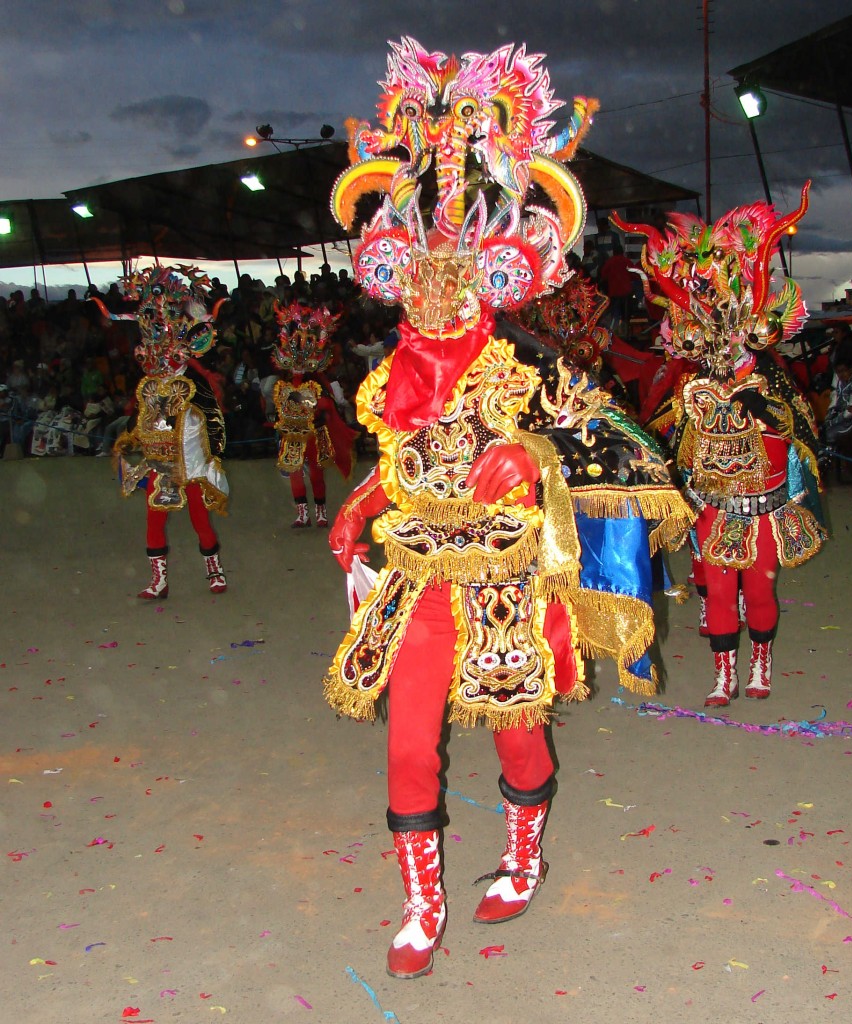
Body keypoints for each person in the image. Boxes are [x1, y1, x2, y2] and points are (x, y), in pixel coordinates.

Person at [325, 37, 691, 981]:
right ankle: (421, 902)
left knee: (519, 737)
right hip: (414, 586)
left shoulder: (529, 369)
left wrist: (524, 450)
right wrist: (359, 502)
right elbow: (404, 463)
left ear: (494, 275)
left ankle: (524, 856)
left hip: (503, 589)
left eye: (456, 271)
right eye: (420, 271)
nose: (437, 288)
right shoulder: (394, 373)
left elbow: (618, 444)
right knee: (409, 744)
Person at [616, 184, 827, 707]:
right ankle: (723, 675)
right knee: (718, 596)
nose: (722, 343)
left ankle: (760, 664)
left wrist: (764, 412)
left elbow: (803, 430)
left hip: (765, 509)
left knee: (759, 593)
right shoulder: (695, 388)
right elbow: (674, 442)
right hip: (715, 508)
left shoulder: (772, 382)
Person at [91, 265, 230, 599]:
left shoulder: (191, 383)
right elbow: (145, 418)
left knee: (199, 519)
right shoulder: (149, 387)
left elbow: (212, 416)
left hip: (190, 461)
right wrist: (135, 436)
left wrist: (211, 455)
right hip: (160, 461)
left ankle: (215, 571)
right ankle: (159, 581)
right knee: (154, 519)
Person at [270, 300, 357, 526]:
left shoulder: (316, 384)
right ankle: (302, 513)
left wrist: (305, 402)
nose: (297, 365)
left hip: (313, 434)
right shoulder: (284, 384)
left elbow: (324, 405)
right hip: (292, 435)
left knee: (316, 474)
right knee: (295, 473)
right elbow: (281, 406)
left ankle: (320, 513)